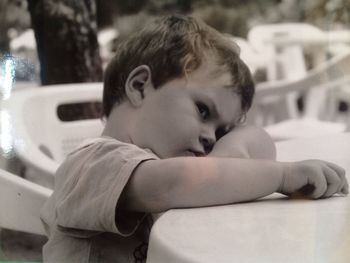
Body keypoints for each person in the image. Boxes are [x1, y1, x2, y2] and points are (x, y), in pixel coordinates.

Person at [40, 15, 348, 262]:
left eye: (221, 130)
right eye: (203, 111)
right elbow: (173, 183)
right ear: (140, 86)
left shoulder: (174, 164)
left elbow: (259, 140)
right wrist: (281, 176)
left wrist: (233, 148)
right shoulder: (92, 163)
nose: (211, 138)